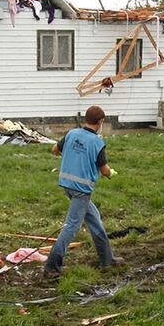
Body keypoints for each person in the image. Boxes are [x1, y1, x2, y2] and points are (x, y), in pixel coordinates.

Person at [43, 105, 116, 277]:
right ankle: (51, 267)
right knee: (71, 227)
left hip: (67, 184)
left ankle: (107, 259)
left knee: (95, 220)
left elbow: (55, 150)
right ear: (100, 122)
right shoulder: (97, 142)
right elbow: (105, 171)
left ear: (85, 119)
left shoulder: (72, 133)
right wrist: (111, 173)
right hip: (81, 190)